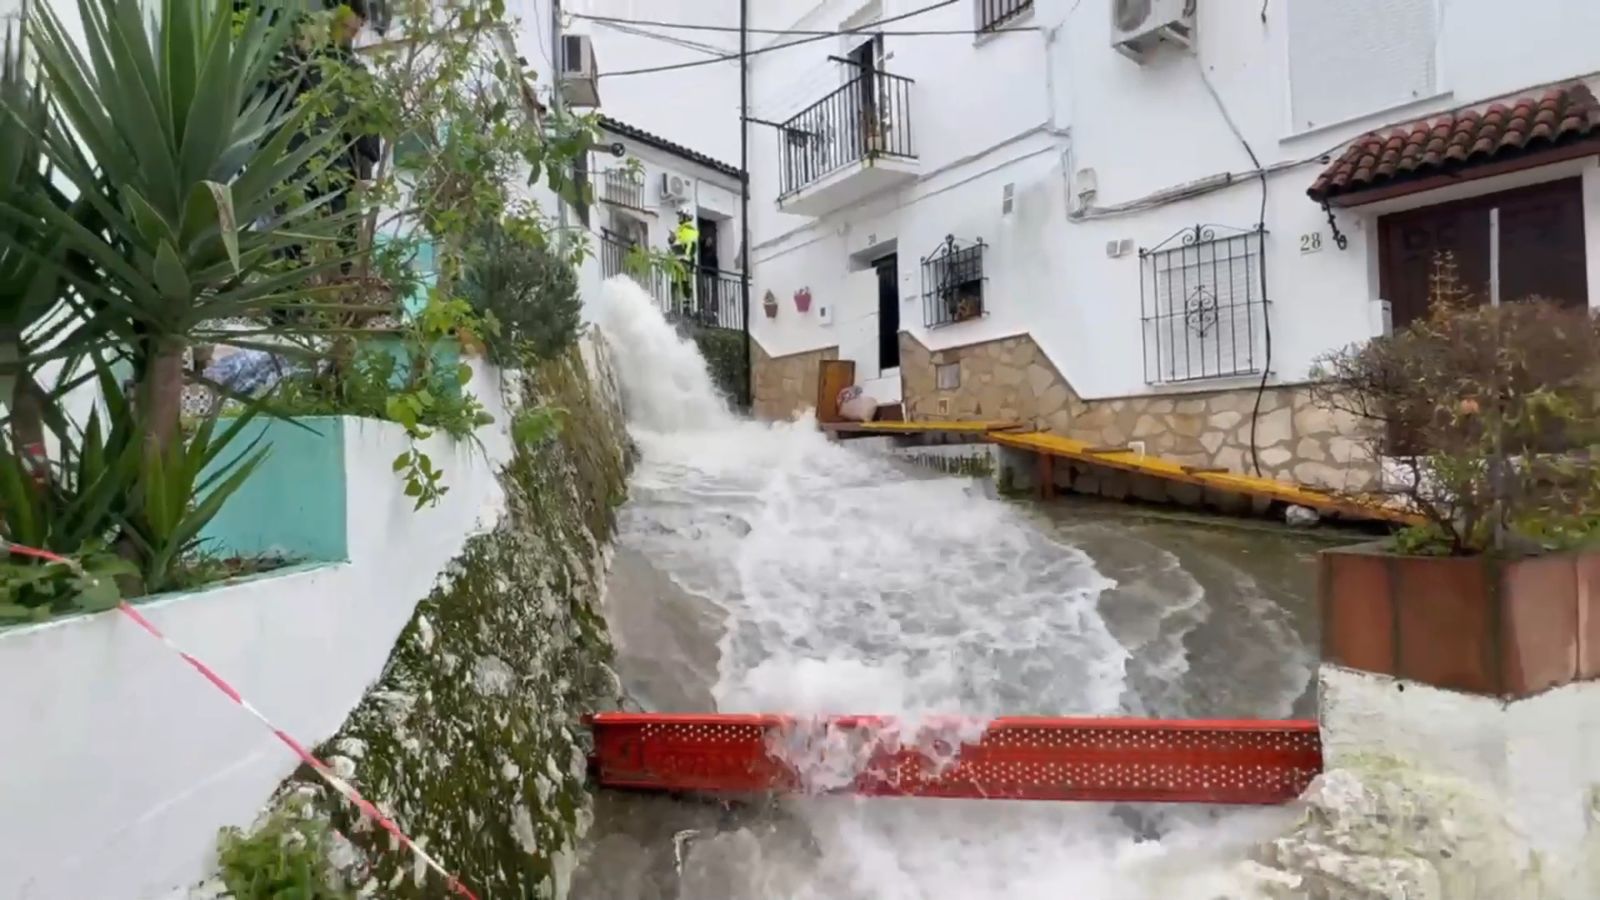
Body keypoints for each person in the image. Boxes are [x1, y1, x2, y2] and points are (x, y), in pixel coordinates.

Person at [668, 212, 699, 317]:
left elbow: (689, 245)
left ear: (686, 217)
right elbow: (674, 242)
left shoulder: (690, 229)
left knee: (685, 282)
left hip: (685, 261)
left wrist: (676, 240)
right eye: (679, 216)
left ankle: (686, 307)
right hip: (676, 260)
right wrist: (672, 239)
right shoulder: (679, 229)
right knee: (674, 282)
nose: (679, 218)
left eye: (681, 216)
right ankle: (674, 306)